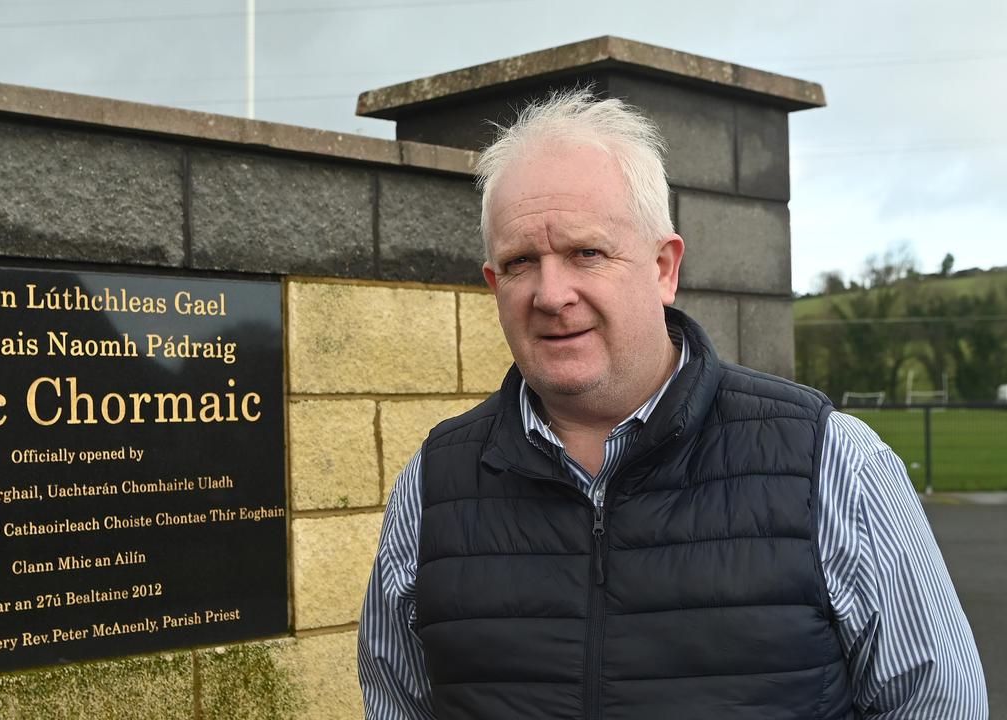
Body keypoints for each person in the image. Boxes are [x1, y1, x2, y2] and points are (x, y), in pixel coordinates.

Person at [357, 89, 987, 719]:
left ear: (663, 267)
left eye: (586, 252)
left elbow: (939, 705)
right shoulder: (432, 486)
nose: (551, 294)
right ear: (494, 284)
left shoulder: (832, 465)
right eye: (522, 262)